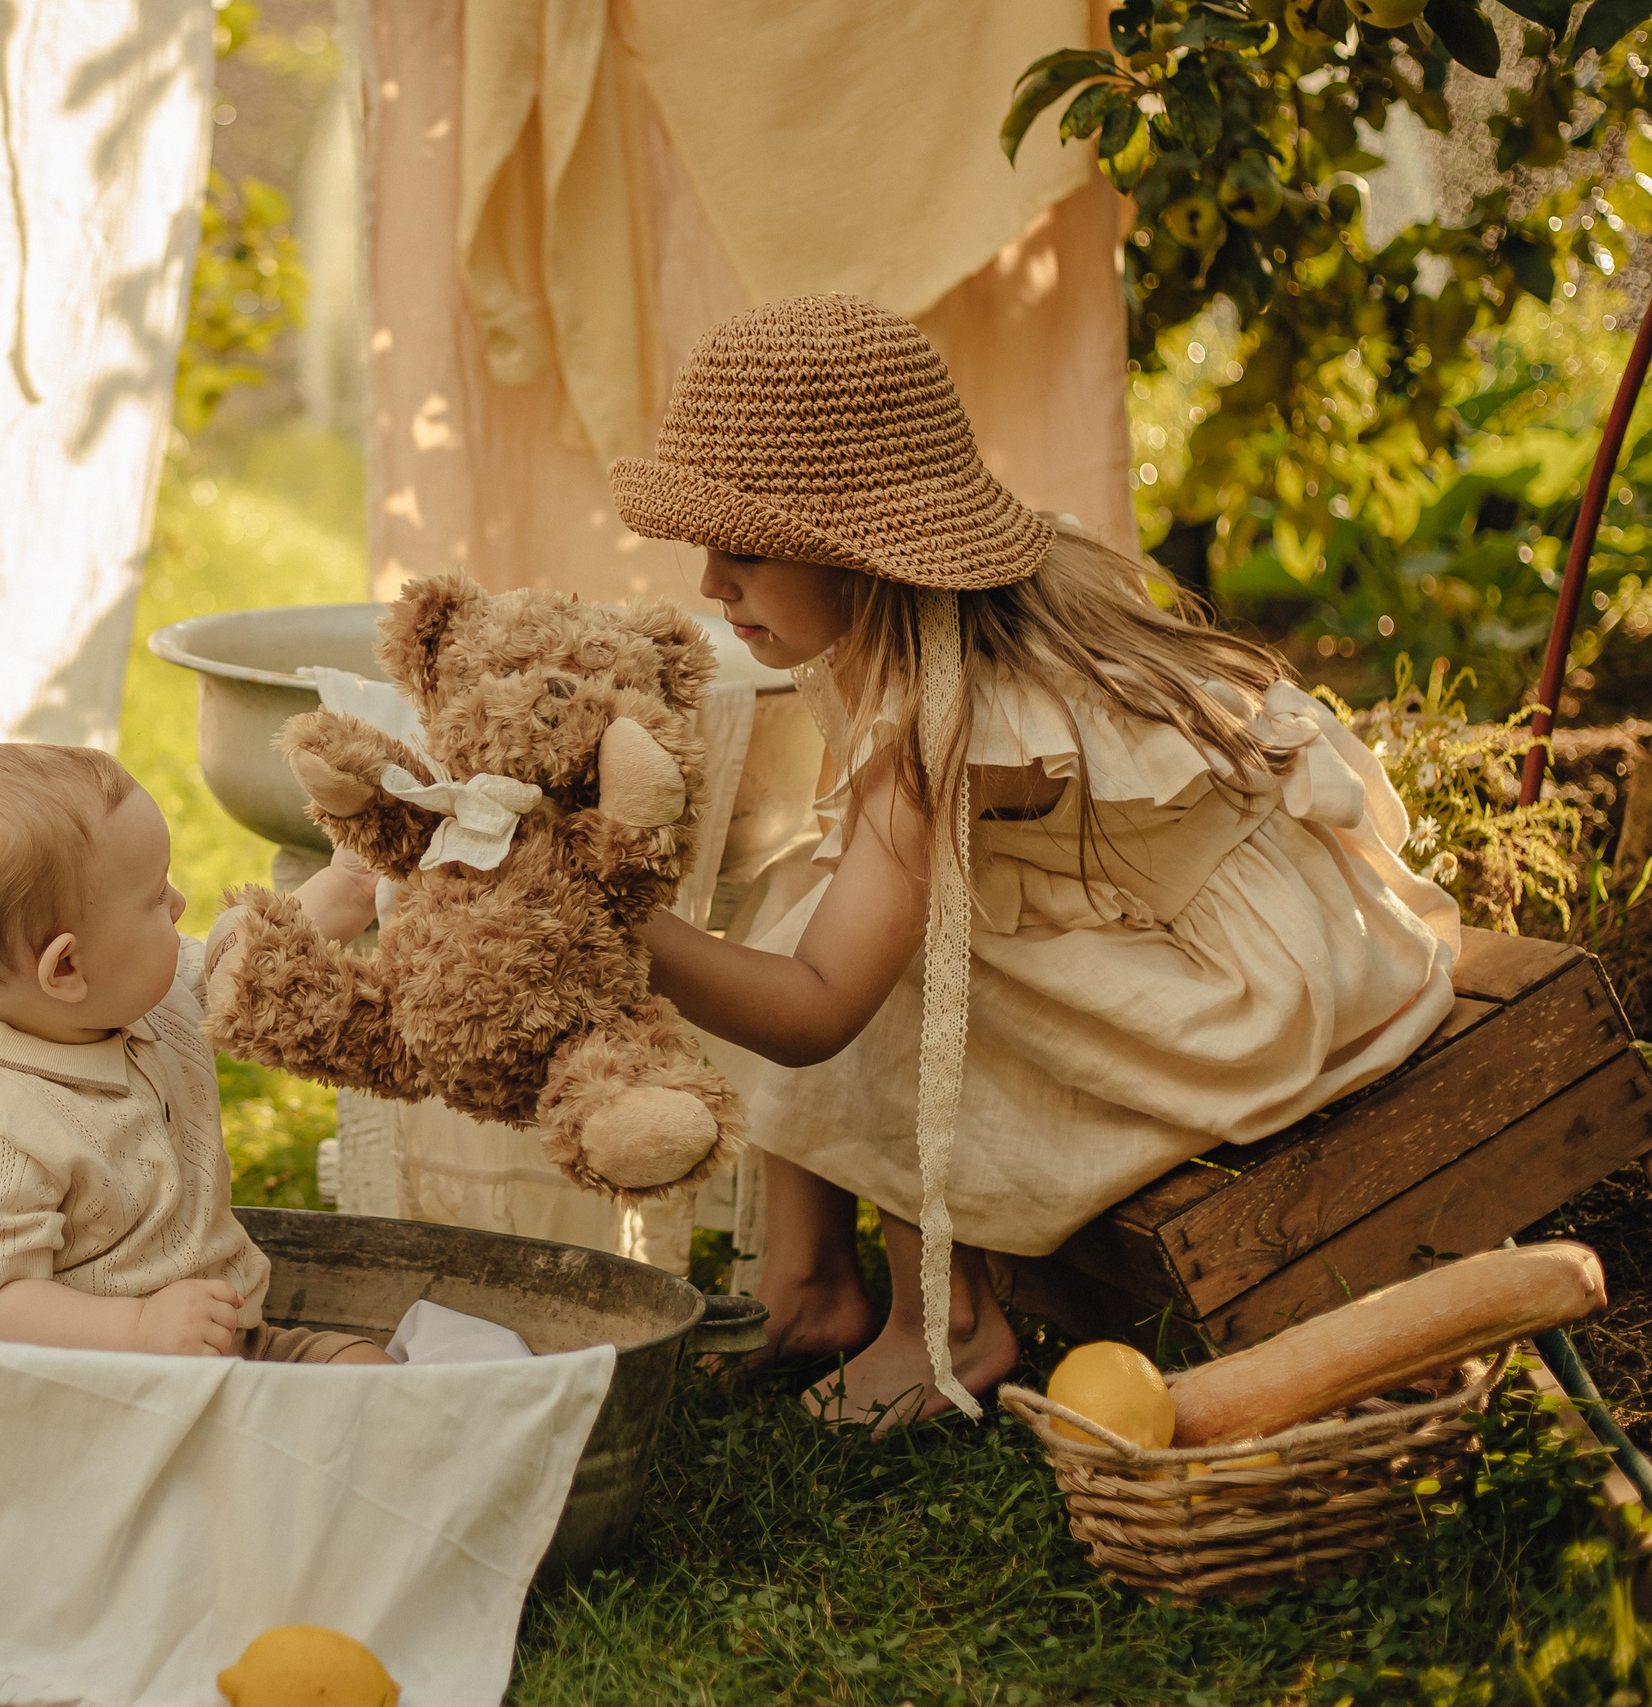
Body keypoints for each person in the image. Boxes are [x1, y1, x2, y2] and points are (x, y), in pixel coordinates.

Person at [609, 296, 1460, 1425]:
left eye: (746, 552)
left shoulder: (942, 730)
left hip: (1254, 987)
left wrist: (620, 919)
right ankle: (807, 1284)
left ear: (861, 559)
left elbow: (815, 1014)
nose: (712, 584)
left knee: (896, 969)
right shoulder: (943, 624)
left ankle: (944, 1324)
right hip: (1215, 918)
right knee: (812, 896)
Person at [0, 743, 393, 1363]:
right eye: (154, 897)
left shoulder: (138, 997)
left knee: (366, 1372)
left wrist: (348, 884)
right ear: (66, 966)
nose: (178, 904)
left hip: (215, 1338)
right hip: (80, 1376)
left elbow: (244, 963)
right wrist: (140, 1328)